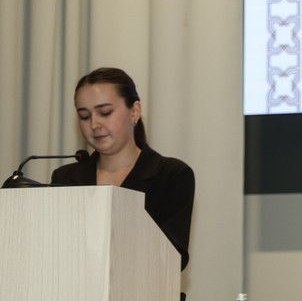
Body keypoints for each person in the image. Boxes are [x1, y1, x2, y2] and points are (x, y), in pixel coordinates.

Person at [51, 67, 195, 269]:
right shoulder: (65, 177)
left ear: (135, 111)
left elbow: (173, 257)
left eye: (105, 113)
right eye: (84, 116)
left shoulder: (171, 175)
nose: (94, 125)